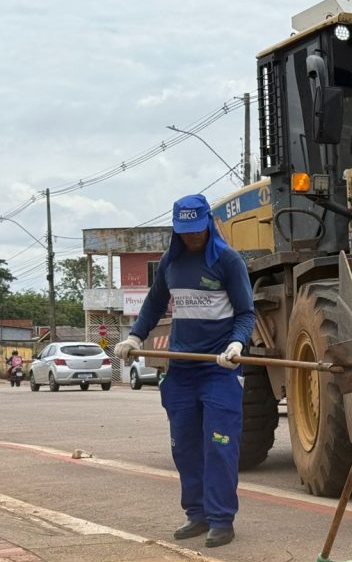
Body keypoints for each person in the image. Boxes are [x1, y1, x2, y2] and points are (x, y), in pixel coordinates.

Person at [113, 194, 254, 548]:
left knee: (220, 446)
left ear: (209, 223)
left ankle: (221, 519)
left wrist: (237, 344)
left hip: (219, 369)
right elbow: (154, 303)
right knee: (185, 448)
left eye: (197, 229)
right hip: (181, 371)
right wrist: (135, 336)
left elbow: (245, 313)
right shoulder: (171, 262)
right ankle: (197, 514)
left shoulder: (228, 261)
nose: (192, 236)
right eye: (185, 230)